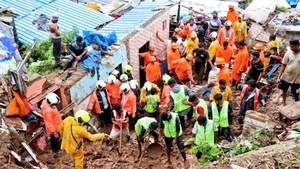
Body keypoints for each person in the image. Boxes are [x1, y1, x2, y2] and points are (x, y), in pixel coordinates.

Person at [277, 39, 300, 105]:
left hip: (297, 78)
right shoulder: (288, 53)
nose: (291, 48)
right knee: (284, 89)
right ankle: (284, 102)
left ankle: (297, 104)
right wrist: (279, 77)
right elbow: (283, 65)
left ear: (297, 46)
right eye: (290, 46)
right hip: (286, 76)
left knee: (295, 92)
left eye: (292, 46)